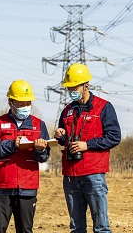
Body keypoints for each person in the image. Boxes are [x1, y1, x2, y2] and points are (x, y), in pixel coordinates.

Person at [54, 63, 121, 233]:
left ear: (86, 86)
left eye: (74, 87)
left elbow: (114, 137)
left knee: (101, 227)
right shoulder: (67, 111)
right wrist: (61, 137)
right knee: (76, 227)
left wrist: (87, 145)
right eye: (68, 88)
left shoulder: (104, 107)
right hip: (70, 175)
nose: (71, 91)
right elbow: (65, 140)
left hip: (93, 174)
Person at [0, 80, 50, 233]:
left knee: (25, 230)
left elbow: (44, 157)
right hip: (2, 188)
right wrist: (12, 144)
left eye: (28, 103)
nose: (25, 107)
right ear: (10, 102)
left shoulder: (39, 125)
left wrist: (41, 150)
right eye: (20, 103)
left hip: (28, 188)